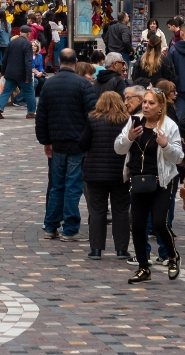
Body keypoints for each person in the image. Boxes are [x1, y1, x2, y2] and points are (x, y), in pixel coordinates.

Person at [114, 86, 183, 284]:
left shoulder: (169, 126)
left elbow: (178, 157)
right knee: (137, 225)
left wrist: (165, 144)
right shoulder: (134, 122)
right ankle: (143, 267)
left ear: (160, 106)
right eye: (144, 102)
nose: (146, 106)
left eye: (151, 103)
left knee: (160, 223)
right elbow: (118, 148)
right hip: (138, 180)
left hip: (162, 180)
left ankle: (172, 256)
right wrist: (129, 138)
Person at [36, 49, 97, 241]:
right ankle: (70, 229)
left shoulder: (49, 84)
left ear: (58, 61)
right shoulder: (83, 85)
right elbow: (93, 115)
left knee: (56, 186)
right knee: (72, 186)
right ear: (76, 61)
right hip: (77, 142)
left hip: (57, 142)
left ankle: (51, 225)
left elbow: (42, 116)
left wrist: (45, 140)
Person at [82, 91, 130, 260]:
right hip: (120, 173)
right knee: (121, 211)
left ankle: (96, 249)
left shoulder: (92, 119)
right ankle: (121, 249)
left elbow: (83, 143)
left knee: (97, 211)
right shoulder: (126, 120)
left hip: (95, 172)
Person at [0, 20, 37, 119]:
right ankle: (31, 112)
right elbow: (28, 62)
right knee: (29, 92)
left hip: (10, 73)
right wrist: (28, 76)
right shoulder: (27, 44)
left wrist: (4, 72)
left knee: (6, 91)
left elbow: (4, 59)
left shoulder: (11, 43)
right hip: (22, 74)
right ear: (28, 34)